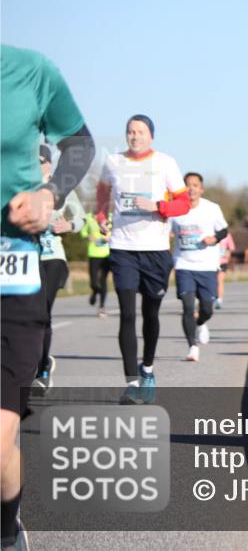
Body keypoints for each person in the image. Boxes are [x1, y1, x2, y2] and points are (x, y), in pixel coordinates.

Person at [2, 44, 94, 551]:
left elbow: (78, 144)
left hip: (12, 267)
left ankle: (6, 528)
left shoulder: (30, 72)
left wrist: (48, 195)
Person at [97, 114, 190, 405]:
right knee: (127, 313)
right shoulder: (113, 162)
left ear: (151, 136)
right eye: (130, 131)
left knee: (151, 314)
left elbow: (183, 203)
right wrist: (101, 216)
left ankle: (147, 368)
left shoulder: (166, 163)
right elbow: (102, 194)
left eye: (140, 131)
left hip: (155, 250)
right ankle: (132, 382)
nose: (134, 136)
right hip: (123, 248)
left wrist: (158, 206)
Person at [33, 144, 86, 395]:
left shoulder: (60, 187)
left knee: (42, 311)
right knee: (23, 315)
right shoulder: (20, 187)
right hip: (25, 257)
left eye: (41, 160)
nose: (37, 164)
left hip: (53, 256)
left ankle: (42, 369)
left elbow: (81, 219)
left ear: (48, 163)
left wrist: (69, 225)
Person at [169, 172, 228, 362]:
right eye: (187, 185)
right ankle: (192, 346)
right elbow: (166, 231)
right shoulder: (175, 210)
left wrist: (214, 239)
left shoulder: (212, 208)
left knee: (207, 309)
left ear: (201, 189)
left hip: (207, 266)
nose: (191, 188)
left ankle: (201, 323)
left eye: (195, 185)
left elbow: (224, 230)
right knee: (187, 306)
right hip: (183, 264)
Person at [80, 212, 112, 317]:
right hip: (93, 254)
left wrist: (109, 238)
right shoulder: (89, 218)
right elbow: (82, 232)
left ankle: (102, 307)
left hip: (106, 255)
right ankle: (95, 291)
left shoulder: (110, 217)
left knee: (103, 280)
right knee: (93, 282)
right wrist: (88, 236)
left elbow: (115, 232)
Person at [215, 231, 236, 309]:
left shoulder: (226, 234)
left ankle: (219, 300)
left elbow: (231, 247)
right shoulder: (208, 231)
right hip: (210, 262)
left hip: (222, 261)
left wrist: (228, 252)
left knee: (219, 280)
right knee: (211, 281)